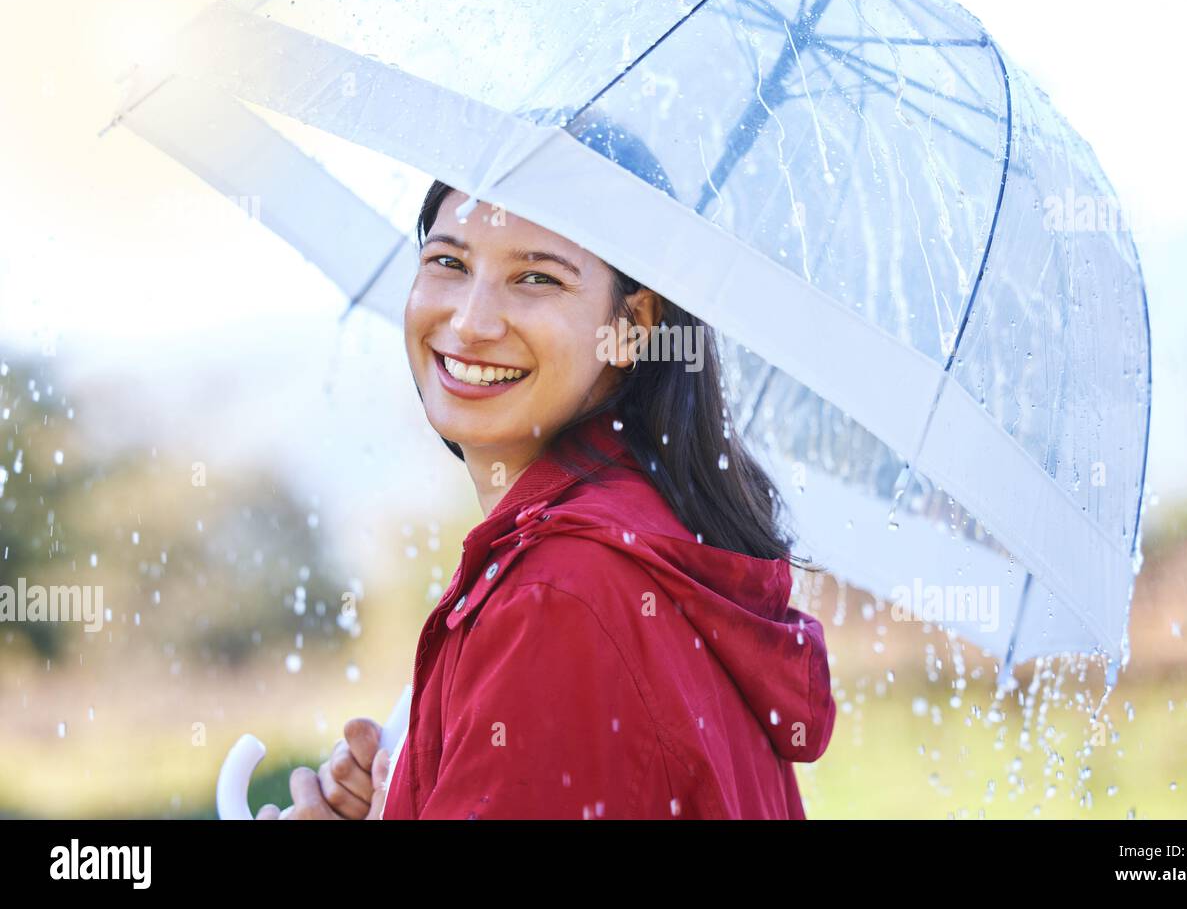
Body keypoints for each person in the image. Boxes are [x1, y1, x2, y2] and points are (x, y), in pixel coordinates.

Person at [259, 114, 835, 820]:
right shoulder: (648, 545)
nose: (471, 322)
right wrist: (413, 780)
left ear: (634, 326)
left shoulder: (561, 596)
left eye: (536, 277)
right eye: (449, 262)